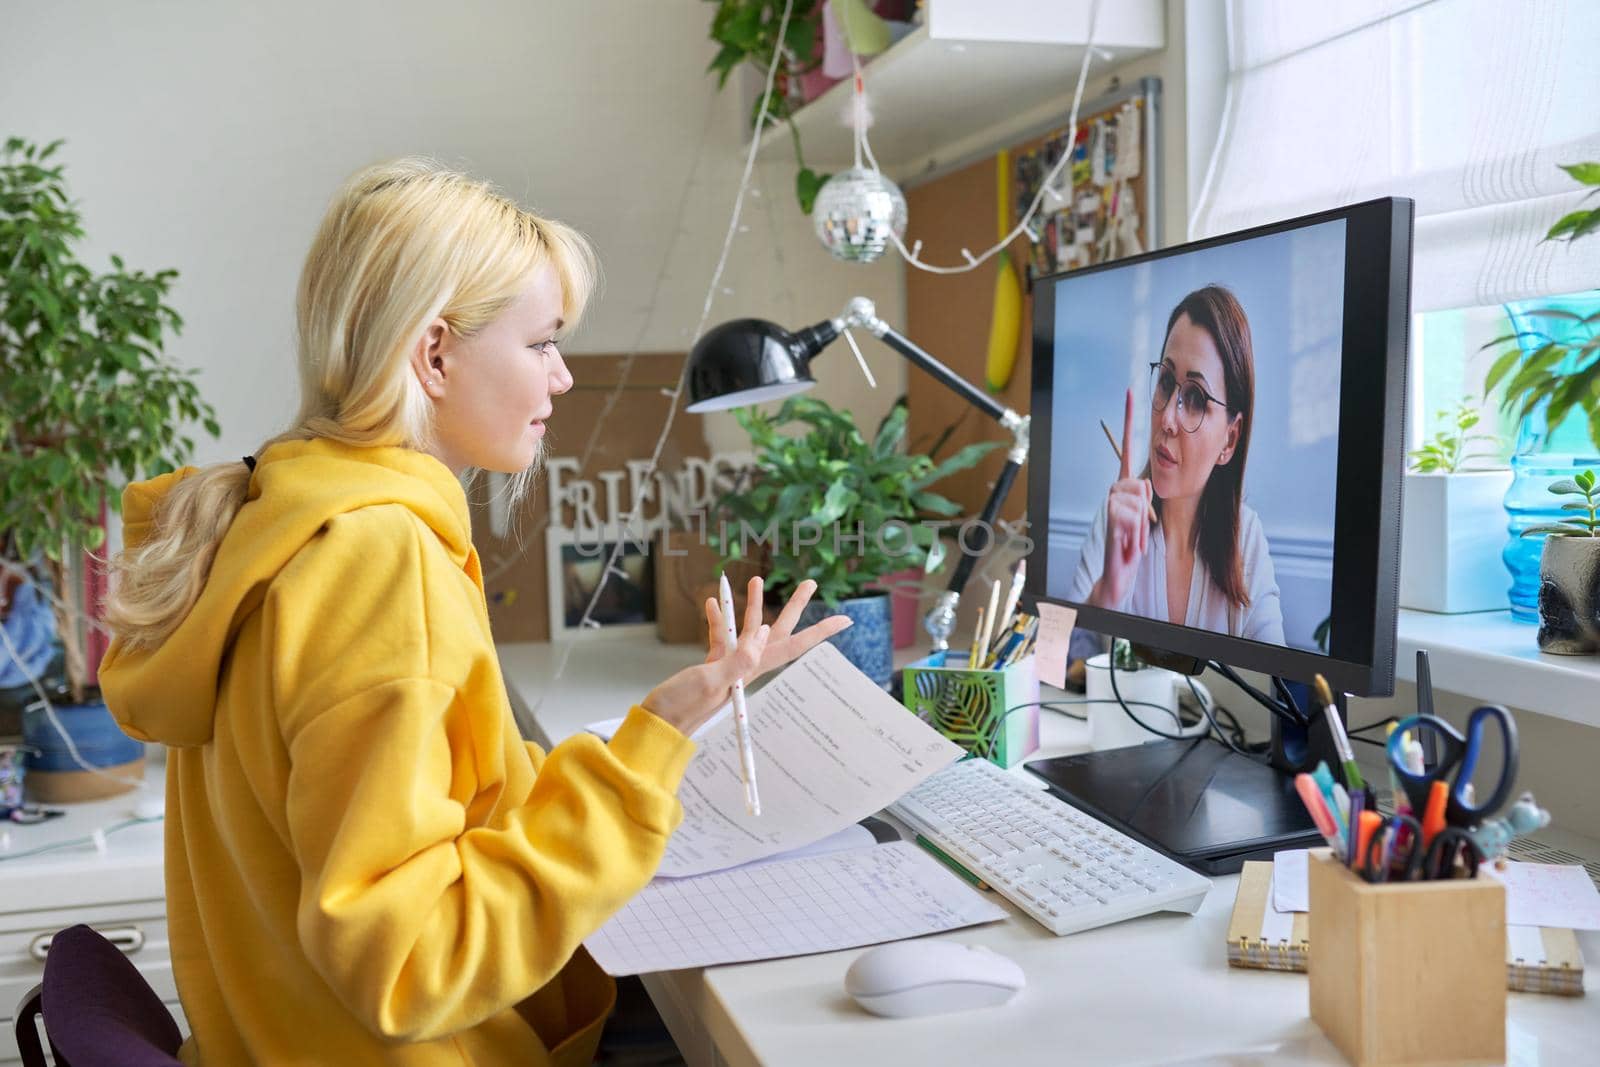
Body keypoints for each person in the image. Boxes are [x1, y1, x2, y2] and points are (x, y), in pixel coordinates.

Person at [98, 158, 850, 1066]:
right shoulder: (379, 563)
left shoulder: (282, 520)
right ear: (435, 353)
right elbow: (411, 960)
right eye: (542, 344)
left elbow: (449, 795)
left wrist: (662, 731)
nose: (564, 378)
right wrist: (639, 762)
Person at [1068, 284, 1284, 644]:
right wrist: (1105, 593)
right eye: (1166, 381)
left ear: (1229, 439)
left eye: (1196, 399)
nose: (1167, 417)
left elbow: (1280, 687)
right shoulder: (1116, 521)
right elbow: (1050, 666)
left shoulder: (1246, 540)